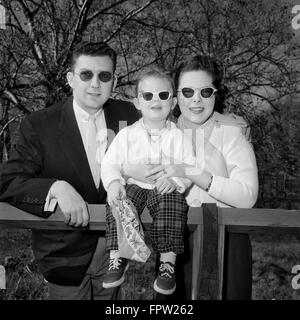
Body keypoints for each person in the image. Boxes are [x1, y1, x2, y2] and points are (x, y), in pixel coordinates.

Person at [0, 42, 139, 300]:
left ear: (114, 80)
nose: (95, 83)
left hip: (116, 252)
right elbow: (7, 180)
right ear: (70, 79)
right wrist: (55, 187)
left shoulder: (129, 116)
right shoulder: (39, 124)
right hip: (63, 254)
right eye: (86, 74)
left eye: (104, 76)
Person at [123, 55, 258, 300]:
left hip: (228, 243)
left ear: (215, 94)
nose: (196, 99)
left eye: (205, 91)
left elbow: (247, 198)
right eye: (187, 91)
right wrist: (127, 170)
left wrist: (190, 171)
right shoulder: (159, 131)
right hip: (176, 244)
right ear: (176, 96)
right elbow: (126, 169)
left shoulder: (232, 133)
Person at [100, 70, 195, 295]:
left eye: (163, 95)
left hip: (163, 188)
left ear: (172, 103)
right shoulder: (126, 135)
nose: (155, 100)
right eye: (148, 95)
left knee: (173, 202)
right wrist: (114, 183)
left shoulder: (179, 136)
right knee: (119, 201)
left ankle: (167, 264)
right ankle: (117, 257)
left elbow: (189, 166)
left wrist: (176, 180)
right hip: (134, 185)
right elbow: (110, 163)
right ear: (137, 102)